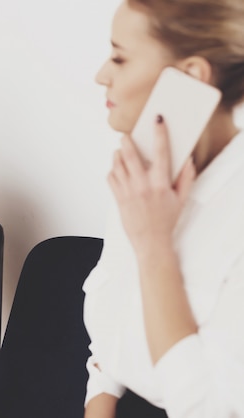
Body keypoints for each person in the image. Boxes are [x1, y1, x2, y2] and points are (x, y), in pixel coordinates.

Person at [83, 0, 244, 417]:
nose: (101, 75)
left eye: (119, 57)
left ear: (190, 76)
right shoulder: (147, 174)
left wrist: (154, 245)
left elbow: (211, 409)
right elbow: (109, 340)